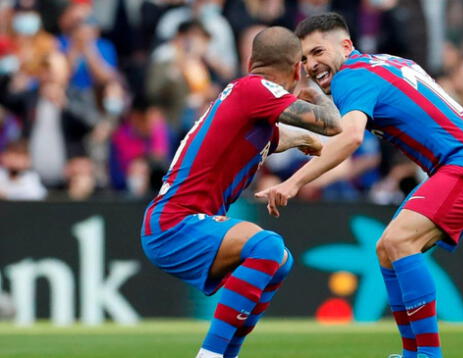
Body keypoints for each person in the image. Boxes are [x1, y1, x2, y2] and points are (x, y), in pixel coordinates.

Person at [256, 13, 463, 358]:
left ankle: (427, 356)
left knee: (399, 241)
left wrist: (294, 182)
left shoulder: (350, 78)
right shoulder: (379, 64)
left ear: (345, 45)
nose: (311, 65)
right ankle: (412, 354)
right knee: (387, 249)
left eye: (317, 52)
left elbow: (351, 137)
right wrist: (315, 108)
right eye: (304, 59)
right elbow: (350, 119)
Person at [140, 27, 342, 358]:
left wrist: (303, 139)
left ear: (250, 61)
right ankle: (211, 355)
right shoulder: (255, 90)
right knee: (267, 247)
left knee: (280, 262)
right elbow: (332, 124)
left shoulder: (245, 99)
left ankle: (225, 354)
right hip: (175, 223)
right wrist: (315, 90)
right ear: (295, 69)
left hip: (172, 222)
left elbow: (272, 140)